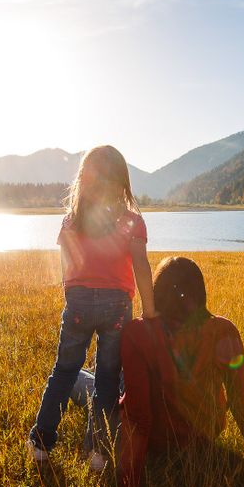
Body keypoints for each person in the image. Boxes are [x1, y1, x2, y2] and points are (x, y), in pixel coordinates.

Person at [114, 256, 244, 487]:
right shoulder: (224, 330)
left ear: (156, 293)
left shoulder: (137, 332)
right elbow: (239, 400)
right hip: (206, 433)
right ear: (200, 292)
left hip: (158, 441)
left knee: (94, 382)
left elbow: (139, 417)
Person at [27, 145, 157, 470]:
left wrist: (74, 297)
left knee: (64, 371)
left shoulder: (72, 221)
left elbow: (66, 266)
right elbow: (141, 267)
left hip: (79, 301)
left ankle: (41, 443)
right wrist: (150, 312)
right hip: (117, 307)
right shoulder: (132, 222)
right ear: (123, 182)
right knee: (107, 379)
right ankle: (99, 454)